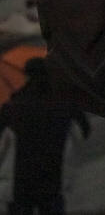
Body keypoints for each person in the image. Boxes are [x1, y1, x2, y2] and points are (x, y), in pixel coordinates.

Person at [0, 57, 91, 215]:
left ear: (26, 76)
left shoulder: (12, 108)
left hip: (18, 182)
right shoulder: (66, 106)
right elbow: (84, 130)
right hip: (54, 179)